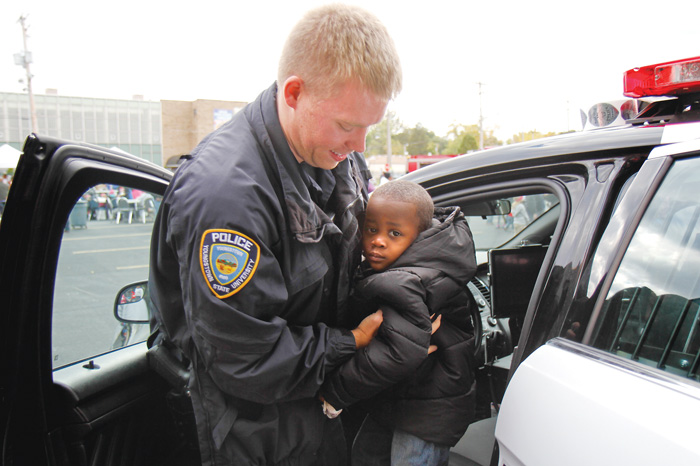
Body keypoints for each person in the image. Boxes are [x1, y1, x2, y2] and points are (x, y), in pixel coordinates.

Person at [148, 4, 402, 466]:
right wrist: (353, 342)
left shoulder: (333, 158)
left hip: (312, 414)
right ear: (295, 92)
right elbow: (244, 360)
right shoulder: (226, 199)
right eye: (348, 125)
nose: (360, 145)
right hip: (253, 435)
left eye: (370, 127)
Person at [320, 180, 478, 466]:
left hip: (427, 407)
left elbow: (398, 351)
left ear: (419, 236)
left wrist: (335, 393)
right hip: (404, 397)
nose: (378, 241)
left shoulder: (408, 281)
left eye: (394, 233)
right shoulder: (414, 266)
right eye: (371, 229)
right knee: (365, 453)